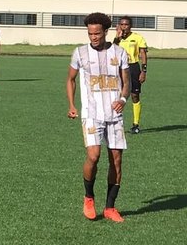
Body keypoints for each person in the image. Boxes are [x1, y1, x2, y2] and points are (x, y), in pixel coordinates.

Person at [66, 12, 130, 223]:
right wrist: (72, 105)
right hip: (91, 114)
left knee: (116, 160)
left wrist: (122, 98)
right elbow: (71, 79)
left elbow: (126, 82)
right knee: (93, 156)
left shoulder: (119, 53)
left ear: (105, 32)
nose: (93, 37)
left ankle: (110, 207)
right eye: (90, 33)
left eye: (97, 33)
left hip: (115, 115)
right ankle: (89, 197)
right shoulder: (80, 53)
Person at [112, 16, 148, 134]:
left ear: (130, 26)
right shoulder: (118, 39)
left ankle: (135, 124)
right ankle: (115, 123)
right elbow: (112, 50)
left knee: (134, 95)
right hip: (119, 68)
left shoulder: (137, 37)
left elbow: (143, 54)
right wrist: (117, 37)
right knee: (116, 94)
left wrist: (144, 71)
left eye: (126, 24)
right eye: (122, 24)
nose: (124, 27)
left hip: (132, 67)